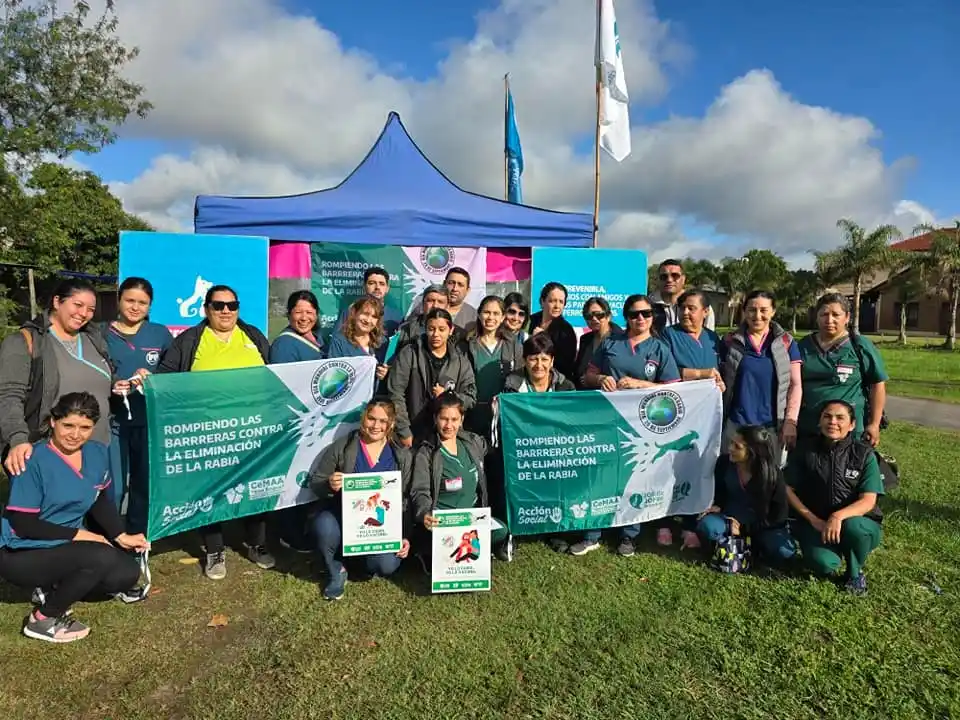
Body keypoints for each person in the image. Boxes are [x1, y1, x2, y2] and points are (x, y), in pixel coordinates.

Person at [0, 392, 149, 643]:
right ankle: (43, 619)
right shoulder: (32, 460)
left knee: (125, 574)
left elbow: (98, 498)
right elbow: (23, 524)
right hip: (20, 550)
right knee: (99, 557)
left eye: (85, 427)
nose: (75, 434)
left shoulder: (97, 452)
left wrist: (120, 535)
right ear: (53, 422)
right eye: (68, 425)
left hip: (63, 545)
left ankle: (54, 586)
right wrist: (83, 535)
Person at [157, 285, 274, 580]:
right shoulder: (190, 340)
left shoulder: (253, 336)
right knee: (210, 492)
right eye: (218, 305)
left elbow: (276, 376)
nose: (225, 311)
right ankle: (214, 549)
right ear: (206, 308)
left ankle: (256, 543)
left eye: (231, 305)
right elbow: (165, 379)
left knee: (255, 488)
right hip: (209, 433)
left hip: (251, 430)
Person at [577, 295, 680, 557]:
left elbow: (674, 389)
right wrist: (601, 378)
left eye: (646, 313)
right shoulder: (610, 343)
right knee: (600, 475)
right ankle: (592, 533)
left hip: (642, 424)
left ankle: (629, 535)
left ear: (652, 316)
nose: (640, 318)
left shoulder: (659, 349)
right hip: (607, 420)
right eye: (634, 314)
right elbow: (588, 376)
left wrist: (642, 385)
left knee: (635, 477)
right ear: (626, 318)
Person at [0, 279, 115, 479]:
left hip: (95, 450)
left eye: (90, 309)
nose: (83, 313)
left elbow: (103, 378)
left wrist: (121, 383)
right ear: (56, 302)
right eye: (77, 305)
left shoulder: (94, 339)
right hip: (45, 451)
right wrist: (18, 438)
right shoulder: (25, 342)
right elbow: (9, 396)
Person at [307, 400, 412, 601]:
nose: (376, 425)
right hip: (342, 517)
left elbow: (405, 499)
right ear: (363, 418)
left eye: (383, 421)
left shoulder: (400, 454)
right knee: (323, 526)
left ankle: (358, 563)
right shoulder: (343, 446)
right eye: (371, 418)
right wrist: (329, 484)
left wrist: (405, 535)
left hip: (379, 526)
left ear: (391, 423)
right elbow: (316, 482)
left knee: (386, 565)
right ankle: (336, 570)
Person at [786, 400, 884, 595]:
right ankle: (832, 551)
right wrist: (813, 520)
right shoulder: (805, 450)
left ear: (852, 425)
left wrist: (838, 516)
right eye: (827, 417)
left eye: (840, 418)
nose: (833, 422)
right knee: (822, 564)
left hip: (856, 522)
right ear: (819, 421)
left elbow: (868, 501)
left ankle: (854, 573)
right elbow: (787, 489)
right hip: (817, 523)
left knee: (855, 528)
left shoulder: (864, 454)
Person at [104, 277, 173, 533]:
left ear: (150, 305)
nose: (135, 307)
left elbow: (173, 372)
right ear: (118, 300)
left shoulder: (160, 333)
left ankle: (136, 535)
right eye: (130, 300)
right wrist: (113, 382)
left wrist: (154, 379)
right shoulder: (100, 333)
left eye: (142, 303)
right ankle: (107, 535)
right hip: (112, 421)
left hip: (147, 421)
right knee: (113, 486)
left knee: (143, 483)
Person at [410, 392, 507, 561]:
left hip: (471, 519)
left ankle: (468, 549)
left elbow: (497, 443)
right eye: (444, 419)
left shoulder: (472, 442)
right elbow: (419, 490)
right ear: (435, 419)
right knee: (447, 543)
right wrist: (425, 512)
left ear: (461, 419)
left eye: (454, 419)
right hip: (443, 522)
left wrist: (501, 415)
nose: (449, 425)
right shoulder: (426, 452)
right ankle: (429, 552)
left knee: (501, 530)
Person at [797, 293, 888, 447]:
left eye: (835, 315)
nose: (829, 320)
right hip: (809, 429)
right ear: (817, 317)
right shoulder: (803, 346)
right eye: (824, 314)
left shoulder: (860, 346)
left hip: (849, 432)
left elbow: (877, 384)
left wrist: (874, 424)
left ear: (847, 317)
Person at [719, 290, 802, 458]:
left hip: (771, 427)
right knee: (734, 471)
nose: (757, 316)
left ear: (773, 312)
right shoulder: (730, 341)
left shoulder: (786, 342)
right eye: (752, 310)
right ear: (744, 311)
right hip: (737, 425)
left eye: (764, 310)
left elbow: (795, 385)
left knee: (769, 472)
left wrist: (790, 421)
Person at [696, 425, 795, 563]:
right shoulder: (724, 463)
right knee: (708, 527)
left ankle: (746, 545)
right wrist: (717, 506)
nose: (730, 448)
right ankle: (744, 546)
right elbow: (719, 492)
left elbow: (779, 516)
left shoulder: (773, 475)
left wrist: (745, 528)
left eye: (737, 447)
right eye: (731, 443)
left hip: (761, 525)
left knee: (784, 551)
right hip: (728, 518)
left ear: (753, 452)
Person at [387, 308, 477, 446]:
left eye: (442, 329)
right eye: (431, 329)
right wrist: (404, 431)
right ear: (425, 329)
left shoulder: (460, 362)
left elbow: (470, 398)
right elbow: (395, 393)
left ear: (451, 330)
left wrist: (449, 395)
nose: (436, 334)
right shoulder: (410, 354)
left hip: (447, 436)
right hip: (413, 433)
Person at [460, 296, 521, 438]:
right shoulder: (466, 345)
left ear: (503, 317)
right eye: (487, 312)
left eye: (496, 313)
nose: (491, 317)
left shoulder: (512, 345)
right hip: (473, 414)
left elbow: (520, 377)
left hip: (504, 414)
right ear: (479, 314)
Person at [326, 297, 390, 383]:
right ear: (355, 313)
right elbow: (333, 376)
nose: (368, 320)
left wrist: (386, 373)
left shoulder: (383, 342)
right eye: (365, 314)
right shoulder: (339, 341)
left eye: (374, 317)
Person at [528, 282, 578, 382]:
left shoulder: (567, 331)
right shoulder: (529, 321)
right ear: (542, 301)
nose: (557, 306)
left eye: (561, 302)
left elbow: (565, 364)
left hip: (555, 382)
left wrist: (544, 339)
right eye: (552, 301)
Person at [335, 267, 403, 339]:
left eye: (382, 284)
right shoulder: (350, 312)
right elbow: (337, 341)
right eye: (372, 283)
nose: (377, 287)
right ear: (364, 287)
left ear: (387, 288)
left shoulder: (398, 317)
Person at [652, 259, 715, 333]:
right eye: (664, 276)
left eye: (675, 275)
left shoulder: (701, 305)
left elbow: (708, 335)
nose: (669, 280)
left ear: (683, 279)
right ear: (658, 279)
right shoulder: (648, 305)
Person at [502, 334, 576, 394]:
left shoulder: (566, 388)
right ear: (524, 360)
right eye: (533, 359)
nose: (539, 365)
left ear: (552, 361)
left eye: (544, 359)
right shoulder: (511, 386)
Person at [573, 297, 621, 390]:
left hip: (612, 393)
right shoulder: (585, 339)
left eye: (599, 315)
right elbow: (579, 371)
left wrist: (597, 379)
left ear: (608, 316)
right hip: (586, 393)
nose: (594, 319)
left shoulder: (622, 339)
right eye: (589, 316)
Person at [395, 285, 459, 349]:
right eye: (430, 301)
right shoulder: (405, 329)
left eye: (440, 302)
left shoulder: (457, 333)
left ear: (447, 306)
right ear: (423, 303)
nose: (435, 305)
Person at [269, 290, 325, 363]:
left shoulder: (320, 337)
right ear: (289, 315)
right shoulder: (284, 345)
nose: (304, 318)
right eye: (298, 312)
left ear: (316, 315)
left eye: (309, 312)